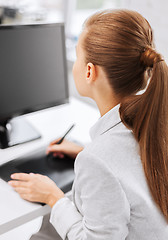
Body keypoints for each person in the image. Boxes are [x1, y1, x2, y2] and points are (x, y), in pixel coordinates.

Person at [8, 9, 168, 240]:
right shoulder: (154, 123)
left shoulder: (97, 160)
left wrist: (53, 197)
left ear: (89, 71)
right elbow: (128, 165)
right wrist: (85, 151)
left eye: (77, 55)